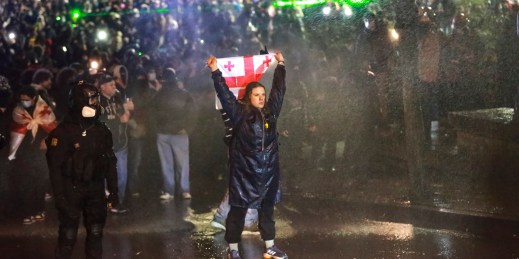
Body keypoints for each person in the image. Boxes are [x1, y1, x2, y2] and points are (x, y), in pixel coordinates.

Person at [207, 52, 288, 259]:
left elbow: (279, 91)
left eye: (263, 94)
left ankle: (270, 246)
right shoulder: (239, 114)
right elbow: (224, 94)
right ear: (248, 97)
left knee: (267, 212)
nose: (261, 98)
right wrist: (215, 71)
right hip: (245, 174)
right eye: (256, 95)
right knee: (238, 213)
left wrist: (280, 65)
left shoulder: (271, 112)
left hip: (268, 173)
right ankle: (233, 250)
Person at [46, 81, 119, 258]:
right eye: (92, 100)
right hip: (71, 188)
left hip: (95, 189)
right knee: (68, 236)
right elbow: (55, 168)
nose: (95, 104)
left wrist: (114, 191)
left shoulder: (101, 131)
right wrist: (60, 196)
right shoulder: (63, 132)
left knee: (95, 234)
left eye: (96, 99)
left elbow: (109, 163)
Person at [152, 68, 196, 200]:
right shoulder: (185, 94)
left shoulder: (158, 95)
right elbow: (193, 113)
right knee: (182, 164)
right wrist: (187, 128)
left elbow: (152, 113)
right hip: (179, 133)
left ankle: (169, 191)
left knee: (166, 164)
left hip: (163, 133)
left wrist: (156, 129)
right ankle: (184, 190)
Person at [96, 73, 131, 213]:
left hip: (120, 143)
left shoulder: (117, 98)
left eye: (114, 84)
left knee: (122, 175)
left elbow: (124, 118)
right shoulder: (97, 102)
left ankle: (117, 201)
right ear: (102, 87)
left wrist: (127, 109)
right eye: (111, 85)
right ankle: (109, 203)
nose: (114, 87)